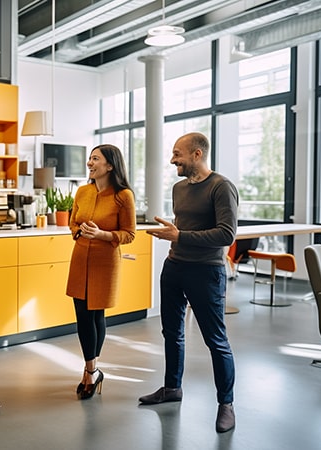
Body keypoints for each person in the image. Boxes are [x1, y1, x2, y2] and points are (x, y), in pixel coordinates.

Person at [138, 132, 238, 433]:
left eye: (177, 154)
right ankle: (172, 388)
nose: (172, 160)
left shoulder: (222, 187)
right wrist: (174, 232)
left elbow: (226, 234)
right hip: (174, 266)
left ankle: (226, 403)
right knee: (171, 331)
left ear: (197, 154)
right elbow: (186, 225)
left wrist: (180, 235)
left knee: (215, 340)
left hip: (206, 272)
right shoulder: (179, 188)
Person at [66, 144, 136, 400]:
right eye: (89, 159)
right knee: (82, 315)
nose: (89, 163)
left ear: (110, 165)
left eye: (95, 159)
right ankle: (92, 369)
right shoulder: (82, 191)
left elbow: (129, 234)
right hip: (80, 257)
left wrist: (102, 234)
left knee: (96, 314)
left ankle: (90, 371)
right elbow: (73, 221)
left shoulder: (123, 196)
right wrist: (79, 230)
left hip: (105, 260)